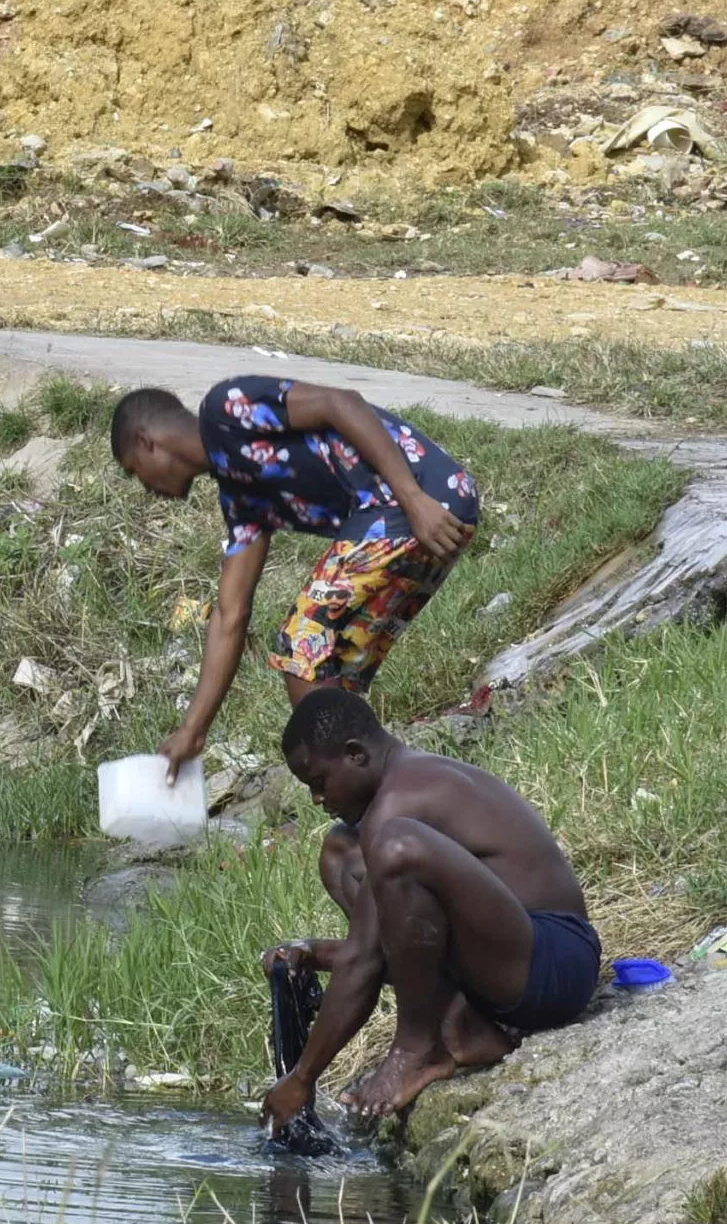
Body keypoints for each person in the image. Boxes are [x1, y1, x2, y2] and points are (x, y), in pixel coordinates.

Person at [260, 688, 597, 1126]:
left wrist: (302, 1077)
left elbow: (365, 956)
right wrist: (311, 953)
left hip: (554, 965)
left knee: (398, 848)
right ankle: (462, 1022)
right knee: (342, 852)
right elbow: (390, 939)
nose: (317, 801)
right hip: (508, 960)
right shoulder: (394, 788)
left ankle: (420, 1048)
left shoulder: (400, 801)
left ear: (356, 754)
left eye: (319, 783)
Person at [111, 376, 480, 771]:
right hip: (414, 518)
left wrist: (412, 499)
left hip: (417, 503)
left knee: (300, 643)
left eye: (135, 472)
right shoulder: (242, 497)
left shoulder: (225, 410)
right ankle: (385, 785)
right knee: (331, 676)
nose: (146, 487)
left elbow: (340, 402)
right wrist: (193, 730)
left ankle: (352, 788)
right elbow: (230, 615)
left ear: (146, 441)